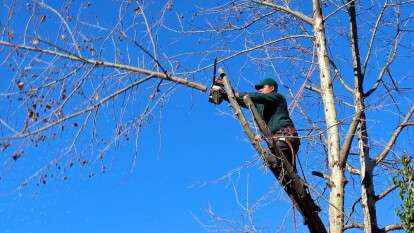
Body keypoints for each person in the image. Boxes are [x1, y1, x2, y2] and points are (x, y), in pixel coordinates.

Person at [233, 78, 300, 169]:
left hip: (286, 136)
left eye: (262, 87)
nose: (259, 90)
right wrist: (227, 94)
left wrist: (239, 94)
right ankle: (290, 181)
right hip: (275, 140)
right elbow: (244, 100)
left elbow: (256, 97)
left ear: (272, 88)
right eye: (258, 89)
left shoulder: (277, 97)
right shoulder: (261, 105)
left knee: (271, 158)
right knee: (285, 173)